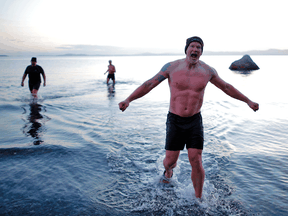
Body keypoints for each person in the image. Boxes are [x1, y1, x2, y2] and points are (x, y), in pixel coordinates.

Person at [118, 36, 259, 199]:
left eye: (199, 47)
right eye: (192, 46)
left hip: (194, 121)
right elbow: (149, 84)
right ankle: (168, 171)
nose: (195, 49)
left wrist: (248, 101)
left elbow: (226, 87)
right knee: (170, 161)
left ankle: (199, 199)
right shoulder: (171, 67)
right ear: (186, 49)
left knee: (196, 159)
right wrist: (128, 99)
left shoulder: (208, 71)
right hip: (175, 120)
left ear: (201, 52)